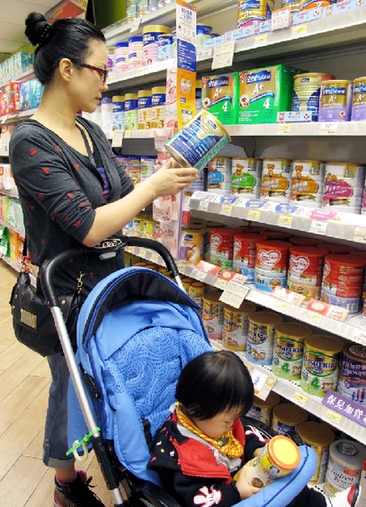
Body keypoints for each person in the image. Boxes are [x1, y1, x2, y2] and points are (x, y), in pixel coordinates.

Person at [9, 12, 198, 507]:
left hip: (110, 286)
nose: (106, 82)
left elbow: (124, 197)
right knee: (69, 388)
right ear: (68, 69)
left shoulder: (91, 132)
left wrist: (163, 181)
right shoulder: (29, 141)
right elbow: (89, 226)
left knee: (109, 380)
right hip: (68, 294)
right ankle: (65, 482)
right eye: (101, 70)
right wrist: (150, 190)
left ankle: (128, 454)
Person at [148, 350, 361, 507]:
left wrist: (258, 449)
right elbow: (198, 499)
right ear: (195, 409)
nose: (231, 425)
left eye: (235, 418)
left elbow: (243, 433)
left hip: (239, 476)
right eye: (227, 421)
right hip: (223, 496)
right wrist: (235, 492)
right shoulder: (182, 456)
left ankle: (323, 504)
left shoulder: (212, 422)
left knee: (290, 485)